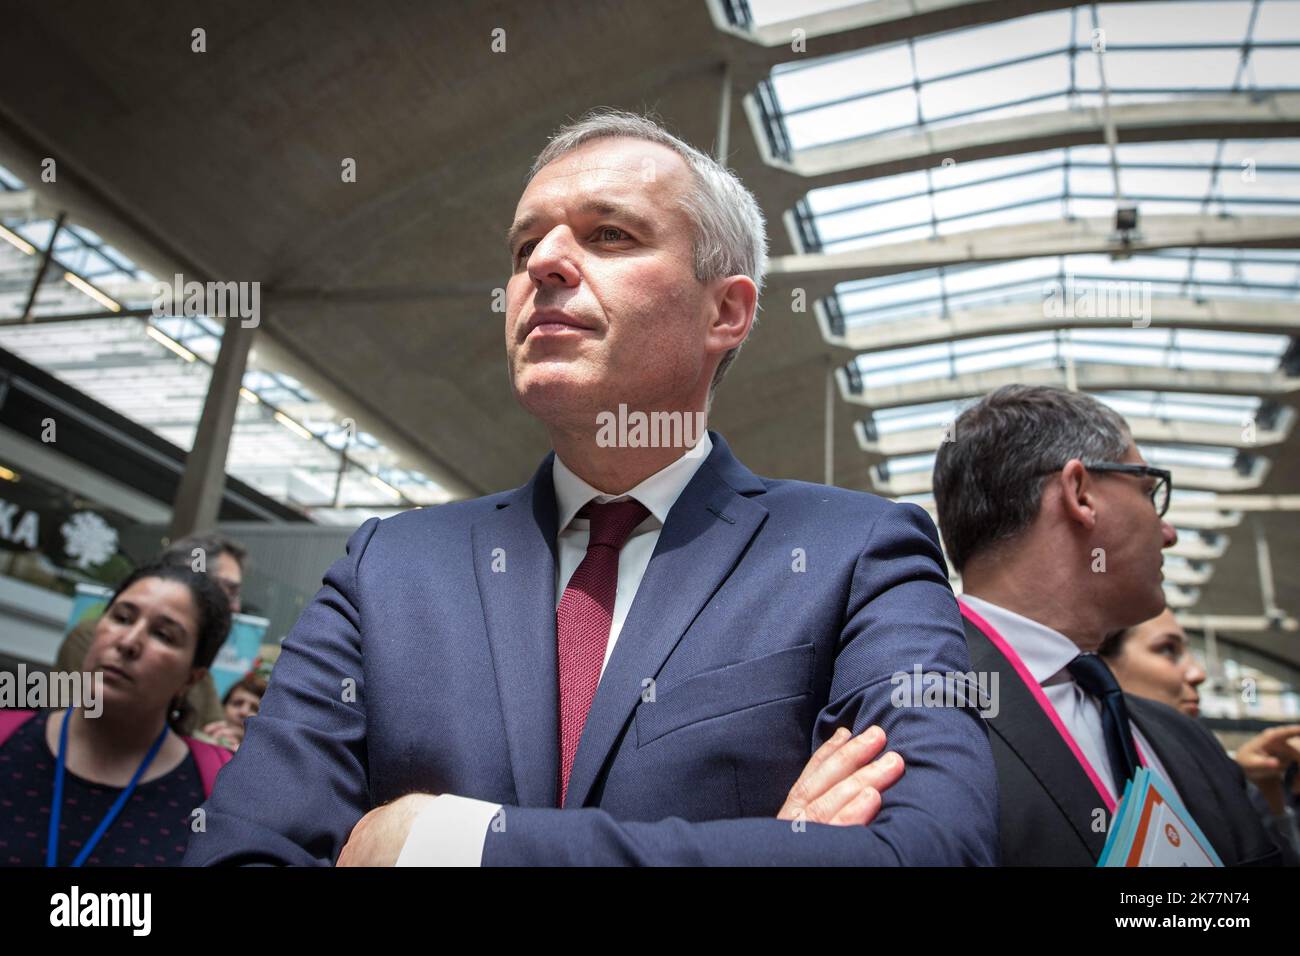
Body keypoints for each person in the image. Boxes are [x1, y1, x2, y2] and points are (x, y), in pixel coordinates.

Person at [183, 109, 998, 867]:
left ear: (727, 312)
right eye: (523, 245)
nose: (541, 263)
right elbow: (242, 857)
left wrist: (446, 844)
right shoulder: (386, 568)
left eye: (609, 234)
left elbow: (928, 850)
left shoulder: (855, 551)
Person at [933, 384, 1282, 865]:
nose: (1169, 532)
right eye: (1148, 490)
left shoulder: (1185, 740)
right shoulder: (911, 719)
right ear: (1080, 494)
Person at [0, 564, 233, 866]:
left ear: (192, 677)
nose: (128, 642)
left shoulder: (220, 791)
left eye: (163, 635)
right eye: (122, 618)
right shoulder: (8, 737)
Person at [1099, 609, 1300, 865]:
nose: (1198, 674)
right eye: (1167, 649)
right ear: (1100, 667)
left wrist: (1261, 787)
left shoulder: (1223, 775)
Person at [55, 532, 248, 734]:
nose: (235, 606)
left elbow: (213, 729)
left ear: (192, 676)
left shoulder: (198, 670)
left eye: (164, 636)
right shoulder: (91, 638)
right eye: (229, 590)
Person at [202, 674, 267, 751]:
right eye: (237, 703)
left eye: (254, 709)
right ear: (223, 707)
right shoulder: (200, 741)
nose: (243, 712)